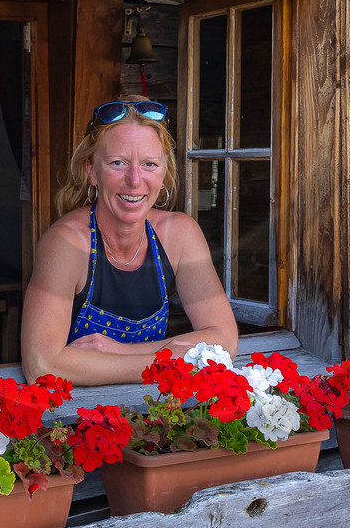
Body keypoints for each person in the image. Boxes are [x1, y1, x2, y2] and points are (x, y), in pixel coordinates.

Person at [21, 97, 238, 385]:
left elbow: (225, 340)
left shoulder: (179, 234)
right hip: (72, 410)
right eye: (118, 163)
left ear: (164, 173)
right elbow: (41, 364)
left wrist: (124, 352)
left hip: (154, 407)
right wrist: (169, 359)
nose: (134, 180)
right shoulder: (66, 243)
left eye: (149, 164)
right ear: (91, 170)